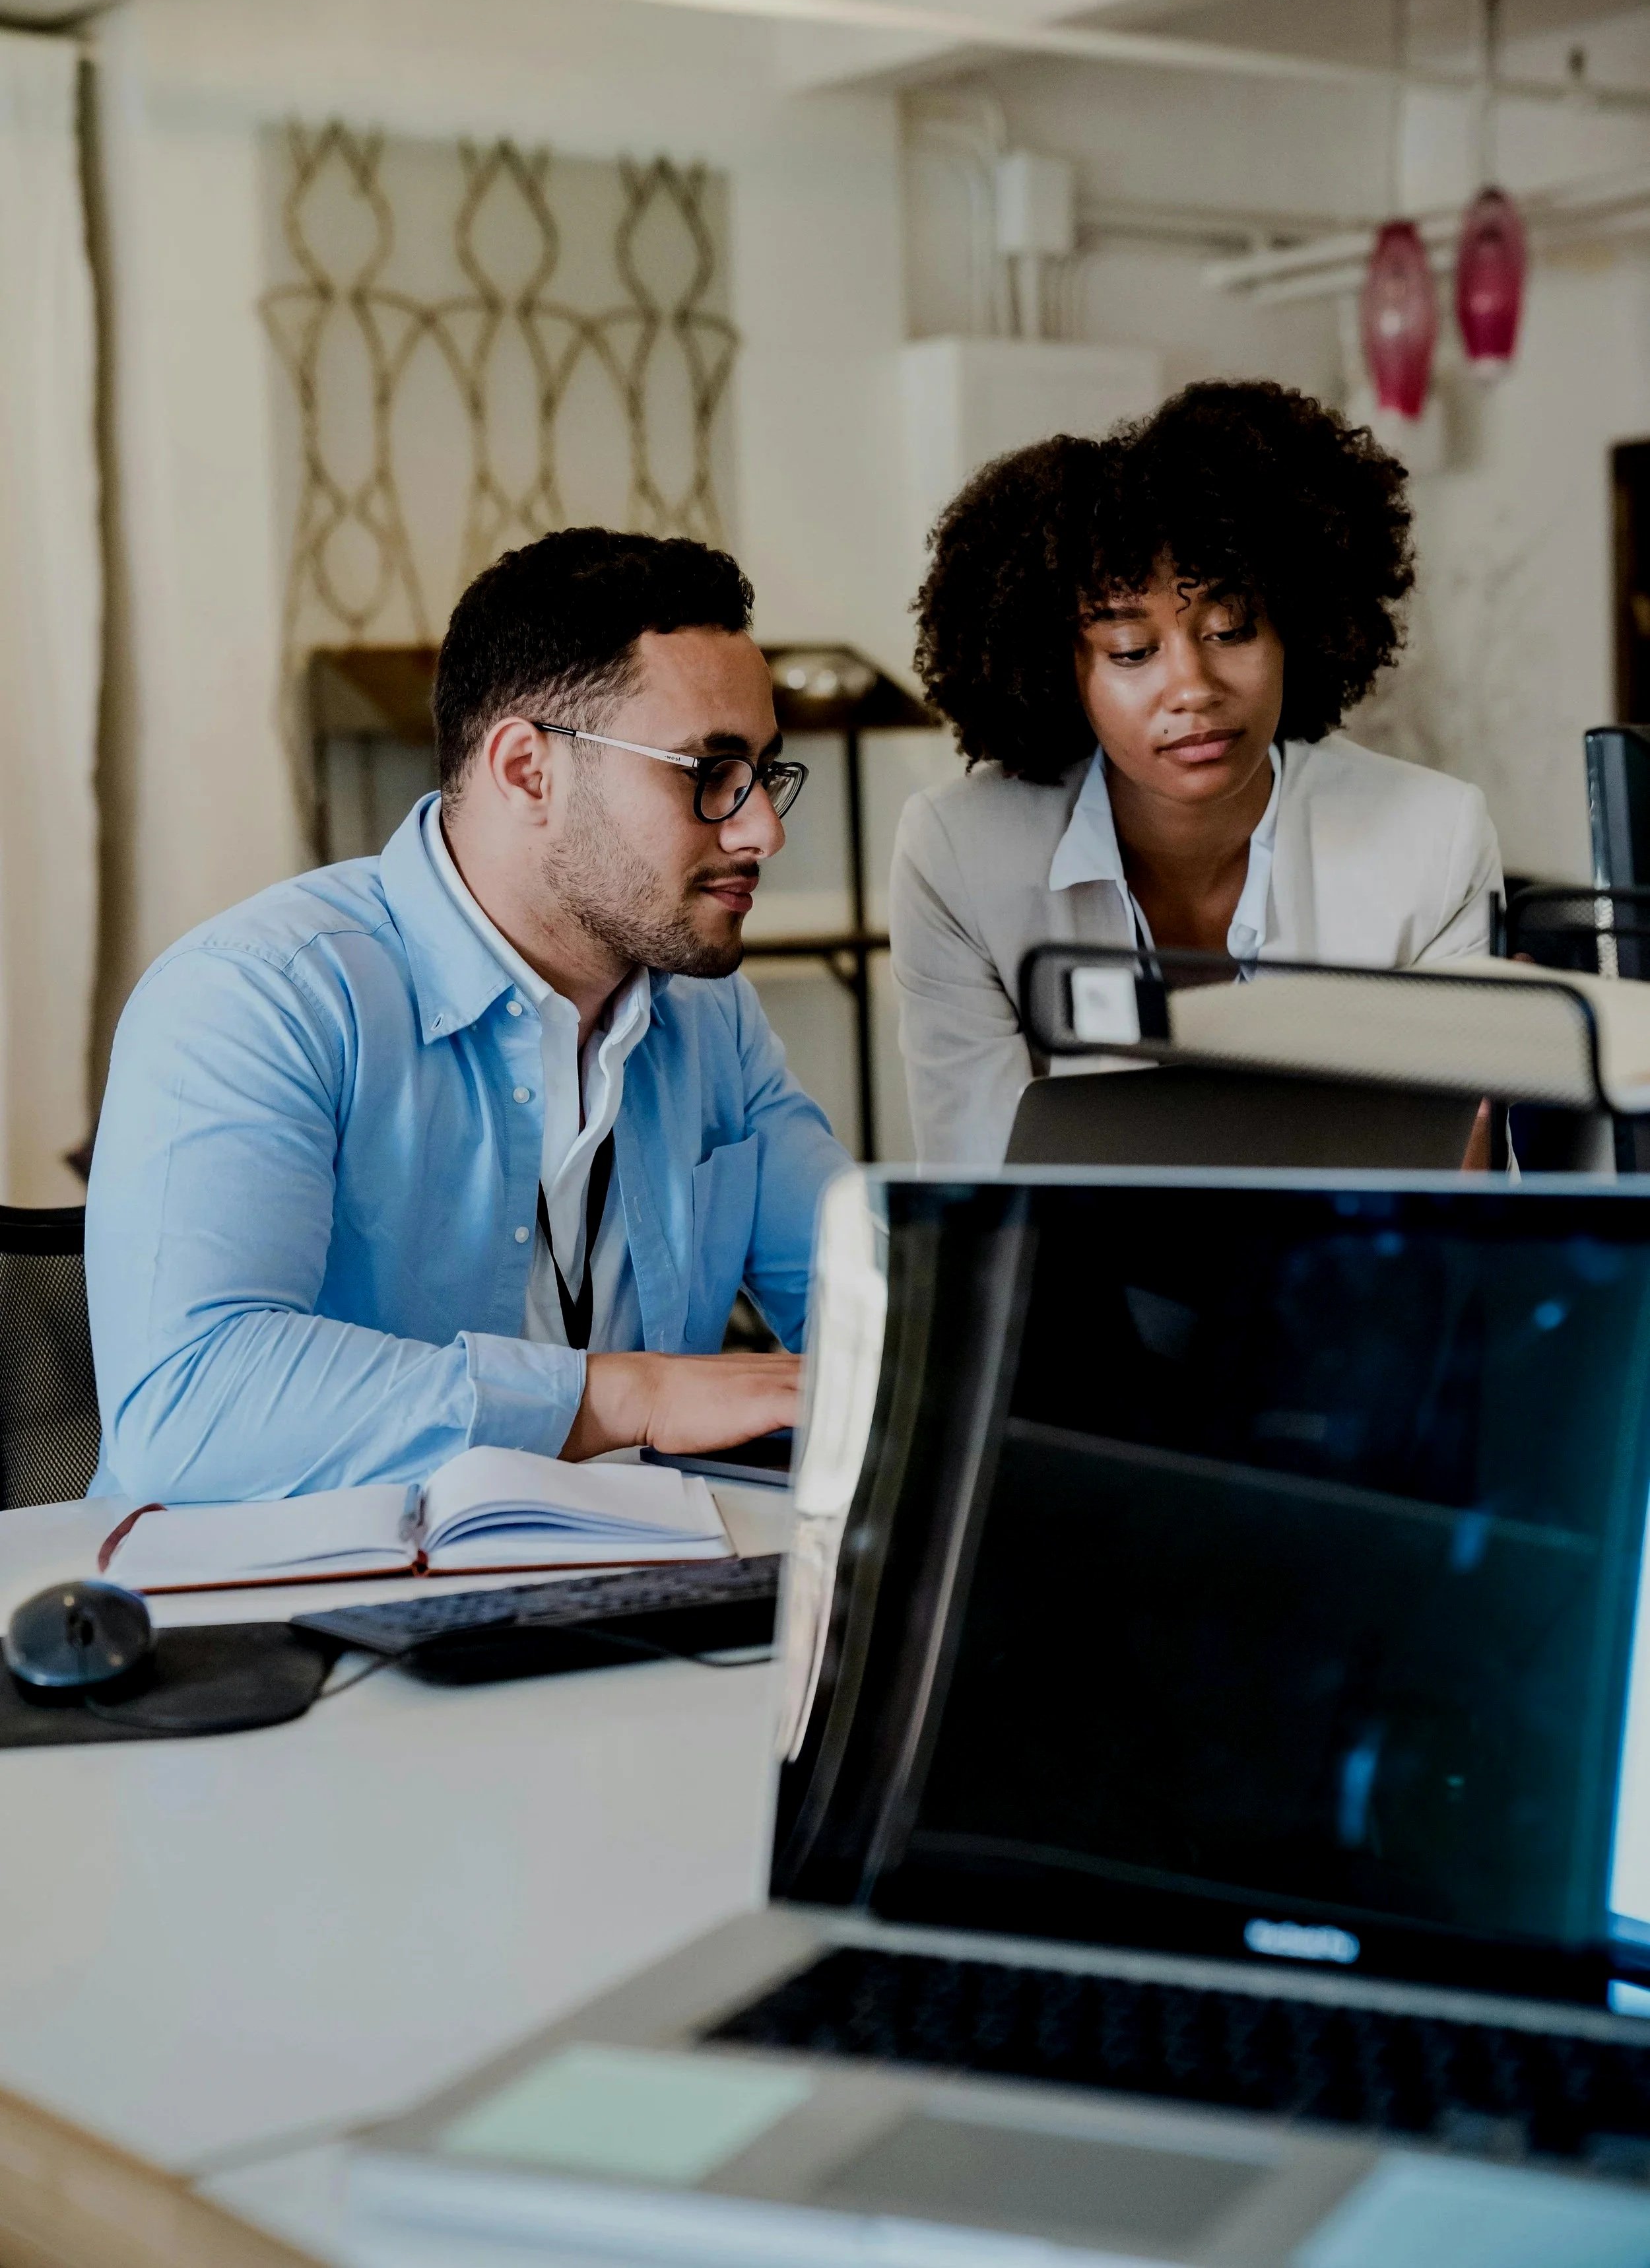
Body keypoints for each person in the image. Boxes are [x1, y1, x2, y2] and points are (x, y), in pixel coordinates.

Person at [87, 528, 849, 1499]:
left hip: (619, 1591)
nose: (761, 828)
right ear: (529, 768)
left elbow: (869, 1308)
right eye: (707, 771)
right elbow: (189, 1408)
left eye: (764, 773)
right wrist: (628, 1397)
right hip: (277, 1622)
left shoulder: (712, 1018)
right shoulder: (257, 994)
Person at [890, 380, 1503, 1166]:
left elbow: (1461, 1179)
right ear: (1059, 669)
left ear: (1297, 628)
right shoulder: (959, 855)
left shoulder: (1433, 840)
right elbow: (976, 1190)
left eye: (1231, 628)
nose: (1193, 688)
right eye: (1132, 651)